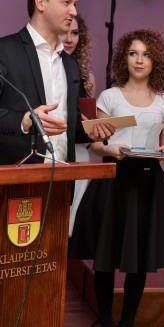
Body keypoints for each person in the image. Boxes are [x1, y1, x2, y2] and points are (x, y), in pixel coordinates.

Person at [68, 29, 164, 327]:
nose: (139, 60)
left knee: (140, 259)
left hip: (147, 181)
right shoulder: (109, 97)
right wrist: (109, 148)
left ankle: (127, 322)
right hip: (112, 178)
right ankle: (105, 320)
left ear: (155, 61)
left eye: (146, 55)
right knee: (106, 256)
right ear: (124, 58)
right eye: (133, 53)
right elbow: (95, 144)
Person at [0, 0, 112, 165]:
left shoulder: (70, 64)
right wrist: (24, 121)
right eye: (66, 3)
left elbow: (68, 127)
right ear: (41, 3)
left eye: (75, 4)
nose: (74, 11)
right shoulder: (1, 50)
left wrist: (91, 132)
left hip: (62, 175)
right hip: (14, 173)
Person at [61, 14, 98, 236]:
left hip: (78, 152)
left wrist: (94, 126)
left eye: (74, 33)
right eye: (64, 32)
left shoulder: (87, 78)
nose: (69, 39)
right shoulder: (42, 71)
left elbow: (90, 121)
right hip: (51, 151)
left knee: (72, 224)